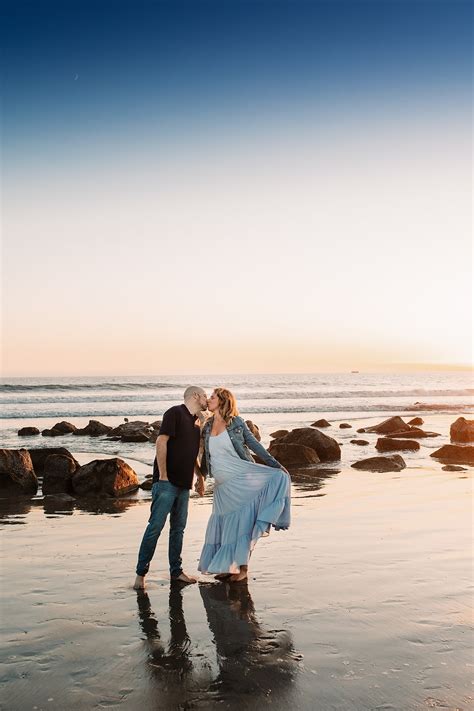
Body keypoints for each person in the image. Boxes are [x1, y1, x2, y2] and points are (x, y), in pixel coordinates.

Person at [198, 388, 291, 583]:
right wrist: (201, 478)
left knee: (243, 525)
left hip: (241, 477)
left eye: (213, 397)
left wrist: (277, 466)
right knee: (225, 525)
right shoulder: (206, 425)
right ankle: (228, 566)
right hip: (222, 486)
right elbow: (206, 456)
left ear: (223, 401)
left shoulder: (236, 423)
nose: (208, 399)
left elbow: (255, 446)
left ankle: (243, 569)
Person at [134, 386, 208, 589]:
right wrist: (163, 475)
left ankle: (176, 572)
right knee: (155, 528)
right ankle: (140, 575)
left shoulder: (196, 422)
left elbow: (193, 453)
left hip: (184, 484)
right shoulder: (174, 412)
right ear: (195, 396)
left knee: (178, 530)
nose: (206, 399)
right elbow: (161, 441)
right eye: (204, 396)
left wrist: (199, 477)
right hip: (167, 483)